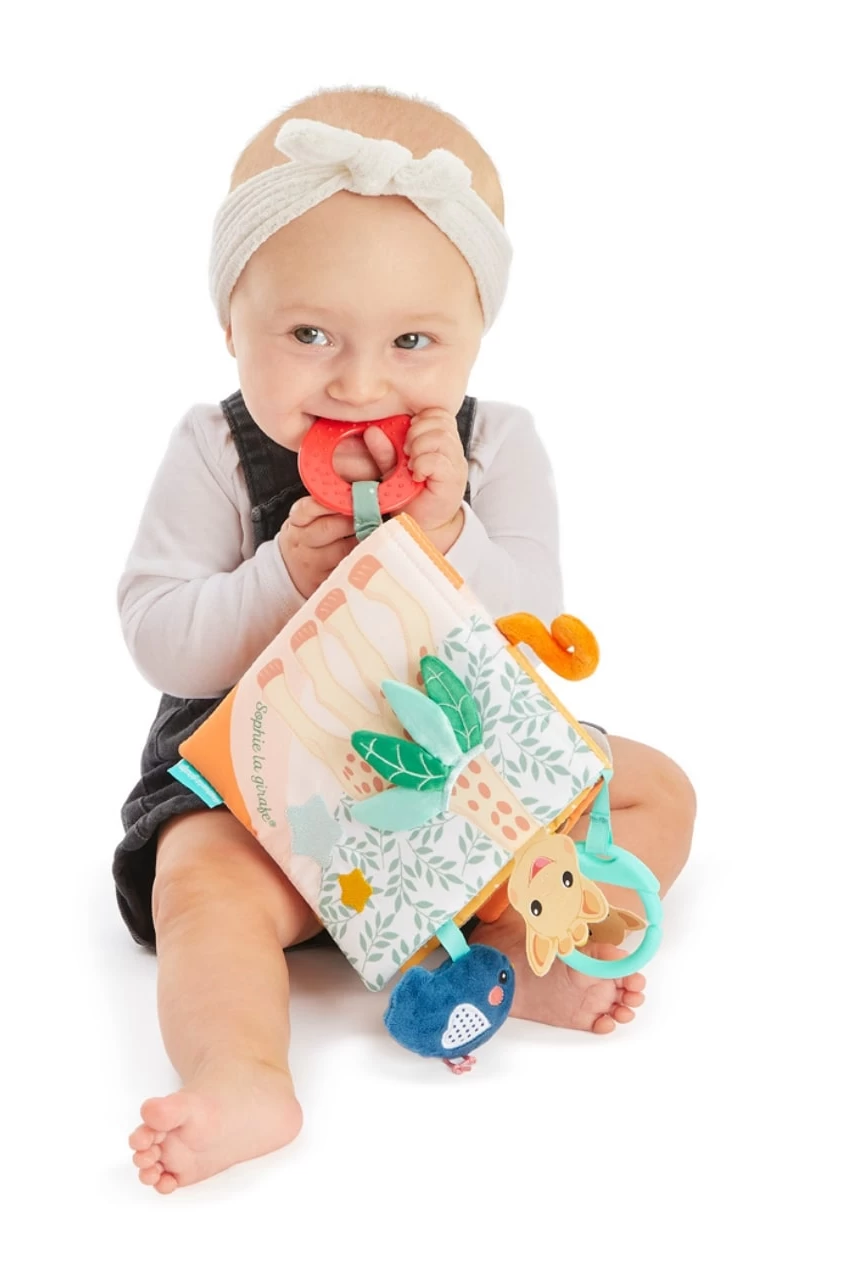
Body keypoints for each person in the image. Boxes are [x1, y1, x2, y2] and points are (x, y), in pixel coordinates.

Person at [114, 87, 697, 1193]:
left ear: (477, 337)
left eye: (413, 341)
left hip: (471, 783)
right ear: (230, 323)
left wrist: (451, 531)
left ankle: (521, 947)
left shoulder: (500, 446)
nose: (359, 381)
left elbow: (531, 617)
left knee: (655, 790)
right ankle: (244, 1076)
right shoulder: (215, 452)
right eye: (308, 335)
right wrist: (279, 577)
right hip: (278, 809)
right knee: (198, 881)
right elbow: (160, 638)